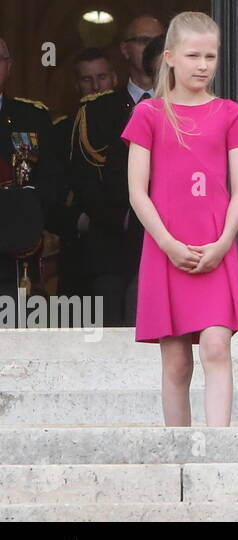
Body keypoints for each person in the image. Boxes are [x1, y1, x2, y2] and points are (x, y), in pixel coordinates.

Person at [122, 12, 238, 427]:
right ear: (170, 57)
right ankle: (179, 451)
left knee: (217, 345)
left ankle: (218, 450)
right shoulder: (149, 115)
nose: (202, 65)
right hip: (167, 249)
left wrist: (223, 242)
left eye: (210, 56)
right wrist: (167, 244)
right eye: (193, 55)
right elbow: (137, 191)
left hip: (214, 247)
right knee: (176, 361)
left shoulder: (230, 113)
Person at [69, 31, 165, 326]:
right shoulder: (100, 109)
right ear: (125, 49)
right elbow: (88, 180)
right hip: (114, 242)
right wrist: (123, 218)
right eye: (141, 38)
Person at [0, 36, 58, 306]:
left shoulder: (30, 116)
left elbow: (51, 177)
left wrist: (31, 211)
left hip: (20, 247)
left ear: (9, 66)